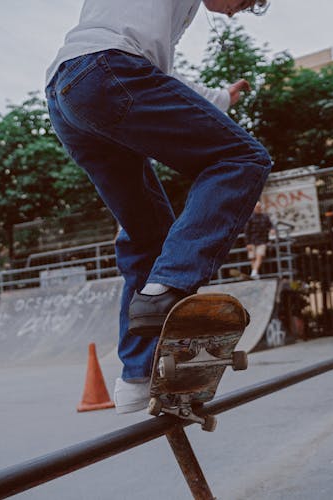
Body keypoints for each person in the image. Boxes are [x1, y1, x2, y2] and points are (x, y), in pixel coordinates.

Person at [45, 0, 273, 414]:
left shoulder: (146, 18)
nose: (234, 13)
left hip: (69, 94)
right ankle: (168, 290)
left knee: (149, 234)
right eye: (242, 4)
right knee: (242, 159)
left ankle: (136, 376)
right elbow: (134, 67)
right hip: (108, 72)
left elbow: (157, 72)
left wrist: (219, 97)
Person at [244, 202, 274, 279]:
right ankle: (255, 273)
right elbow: (246, 231)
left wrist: (272, 229)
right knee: (252, 258)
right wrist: (248, 243)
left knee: (259, 256)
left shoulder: (265, 217)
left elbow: (270, 225)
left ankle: (253, 272)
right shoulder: (250, 218)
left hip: (262, 240)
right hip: (252, 241)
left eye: (259, 207)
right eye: (257, 207)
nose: (258, 208)